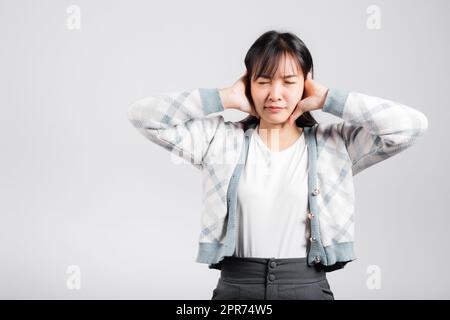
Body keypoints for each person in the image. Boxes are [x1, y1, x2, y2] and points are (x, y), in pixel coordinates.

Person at [127, 30, 428, 300]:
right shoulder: (219, 141)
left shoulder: (335, 145)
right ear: (248, 84)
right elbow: (143, 116)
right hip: (236, 289)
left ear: (306, 84)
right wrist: (224, 98)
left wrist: (330, 99)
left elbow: (411, 126)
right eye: (263, 81)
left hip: (308, 288)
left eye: (288, 81)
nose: (275, 94)